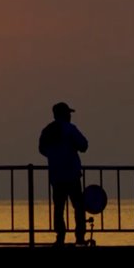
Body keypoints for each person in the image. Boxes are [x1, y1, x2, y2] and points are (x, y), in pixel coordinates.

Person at [39, 102, 89, 245]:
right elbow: (84, 145)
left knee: (59, 208)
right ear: (64, 114)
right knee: (78, 207)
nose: (70, 116)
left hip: (56, 175)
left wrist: (54, 156)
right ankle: (79, 236)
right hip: (72, 174)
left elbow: (41, 149)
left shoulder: (47, 130)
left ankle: (60, 237)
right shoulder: (70, 129)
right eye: (68, 113)